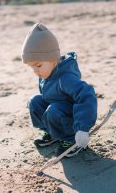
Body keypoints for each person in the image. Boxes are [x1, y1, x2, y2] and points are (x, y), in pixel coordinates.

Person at [22, 23, 97, 157]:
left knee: (54, 109)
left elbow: (87, 95)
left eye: (38, 65)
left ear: (53, 60)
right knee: (35, 101)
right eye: (31, 67)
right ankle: (52, 132)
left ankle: (70, 138)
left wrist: (82, 128)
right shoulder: (46, 73)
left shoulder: (65, 78)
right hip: (57, 113)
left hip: (72, 119)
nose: (35, 71)